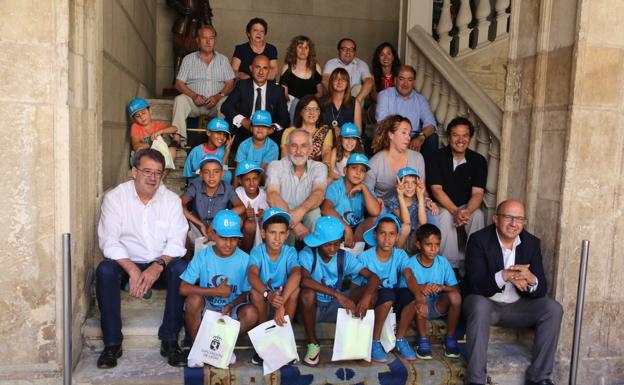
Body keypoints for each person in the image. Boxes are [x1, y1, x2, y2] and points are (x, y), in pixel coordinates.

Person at [96, 149, 188, 368]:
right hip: (127, 262)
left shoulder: (171, 200)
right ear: (134, 171)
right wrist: (132, 270)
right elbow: (109, 241)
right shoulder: (115, 198)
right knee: (104, 270)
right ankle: (112, 344)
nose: (153, 177)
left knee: (182, 269)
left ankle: (170, 340)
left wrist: (158, 265)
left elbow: (177, 241)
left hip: (161, 263)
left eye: (158, 172)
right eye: (147, 171)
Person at [463, 200, 563, 385]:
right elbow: (475, 284)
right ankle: (476, 380)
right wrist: (504, 276)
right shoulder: (479, 240)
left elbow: (542, 290)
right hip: (487, 305)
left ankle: (539, 377)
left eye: (519, 218)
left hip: (517, 307)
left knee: (552, 308)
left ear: (524, 222)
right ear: (495, 218)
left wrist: (532, 279)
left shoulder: (531, 243)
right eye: (508, 217)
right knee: (478, 305)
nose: (513, 223)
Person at [298, 216, 380, 366]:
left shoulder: (343, 257)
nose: (332, 249)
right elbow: (304, 280)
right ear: (318, 243)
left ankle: (356, 344)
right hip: (311, 310)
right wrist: (338, 295)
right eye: (327, 245)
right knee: (307, 294)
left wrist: (366, 298)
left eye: (336, 245)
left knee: (371, 292)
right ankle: (313, 344)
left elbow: (374, 277)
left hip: (334, 308)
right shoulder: (308, 254)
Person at [180, 209, 257, 368]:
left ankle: (223, 347)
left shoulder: (245, 259)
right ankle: (198, 349)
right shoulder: (203, 255)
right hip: (207, 308)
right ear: (213, 234)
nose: (229, 244)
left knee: (251, 313)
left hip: (230, 310)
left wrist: (231, 304)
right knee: (193, 300)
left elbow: (246, 292)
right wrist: (214, 292)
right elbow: (183, 288)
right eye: (223, 237)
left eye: (234, 238)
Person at [426, 116, 487, 271]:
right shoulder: (436, 157)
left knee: (478, 215)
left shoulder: (478, 161)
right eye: (455, 135)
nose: (460, 140)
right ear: (448, 137)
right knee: (445, 216)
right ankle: (450, 268)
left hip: (465, 207)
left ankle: (475, 265)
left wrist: (466, 211)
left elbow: (478, 193)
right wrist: (455, 211)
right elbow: (436, 190)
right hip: (441, 205)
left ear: (470, 138)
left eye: (465, 135)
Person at [395, 224, 461, 361]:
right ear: (418, 245)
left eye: (437, 244)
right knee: (421, 296)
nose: (433, 249)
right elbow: (403, 291)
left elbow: (456, 289)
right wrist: (420, 288)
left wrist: (442, 287)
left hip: (437, 305)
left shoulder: (442, 262)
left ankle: (450, 338)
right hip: (416, 307)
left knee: (455, 296)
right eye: (428, 244)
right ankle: (423, 341)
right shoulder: (410, 263)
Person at [247, 208, 301, 365]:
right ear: (263, 233)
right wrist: (268, 295)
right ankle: (264, 342)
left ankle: (283, 340)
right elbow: (252, 275)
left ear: (287, 234)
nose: (277, 238)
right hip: (264, 303)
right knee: (256, 292)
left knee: (295, 290)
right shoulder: (258, 252)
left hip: (282, 306)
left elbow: (297, 274)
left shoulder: (290, 252)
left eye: (282, 233)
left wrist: (281, 302)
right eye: (272, 232)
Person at [353, 213, 408, 363]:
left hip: (391, 300)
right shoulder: (364, 257)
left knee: (409, 295)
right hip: (371, 301)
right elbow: (354, 286)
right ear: (375, 235)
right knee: (386, 294)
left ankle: (401, 339)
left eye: (391, 234)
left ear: (397, 237)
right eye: (382, 233)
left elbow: (408, 274)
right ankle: (374, 342)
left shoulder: (400, 255)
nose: (387, 238)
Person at [366, 115, 439, 217]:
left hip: (412, 205)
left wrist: (428, 200)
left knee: (432, 213)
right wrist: (375, 199)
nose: (408, 137)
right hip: (385, 208)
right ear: (391, 135)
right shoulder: (374, 163)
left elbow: (423, 189)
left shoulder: (417, 158)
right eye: (404, 132)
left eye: (409, 134)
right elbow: (367, 194)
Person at [172, 25, 235, 142]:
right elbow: (179, 83)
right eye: (204, 38)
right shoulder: (188, 59)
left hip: (215, 104)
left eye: (211, 38)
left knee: (225, 102)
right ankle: (177, 139)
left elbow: (230, 83)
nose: (208, 41)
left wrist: (218, 96)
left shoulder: (223, 60)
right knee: (179, 100)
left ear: (215, 41)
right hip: (194, 103)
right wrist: (193, 96)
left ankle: (221, 139)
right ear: (197, 41)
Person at [266, 129, 328, 245]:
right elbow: (272, 195)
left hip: (305, 211)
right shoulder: (275, 166)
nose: (298, 151)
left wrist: (302, 210)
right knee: (278, 215)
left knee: (314, 214)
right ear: (287, 148)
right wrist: (294, 223)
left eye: (304, 146)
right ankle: (286, 256)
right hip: (283, 212)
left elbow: (319, 193)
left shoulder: (319, 167)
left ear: (310, 149)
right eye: (294, 146)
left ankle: (311, 253)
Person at [221, 55, 290, 154]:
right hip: (245, 129)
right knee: (229, 124)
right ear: (251, 68)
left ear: (269, 71)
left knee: (282, 133)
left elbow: (285, 118)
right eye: (257, 67)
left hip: (268, 132)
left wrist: (272, 128)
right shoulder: (242, 85)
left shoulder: (278, 90)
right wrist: (243, 121)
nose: (261, 72)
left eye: (265, 68)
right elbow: (226, 107)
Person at [181, 155, 244, 246]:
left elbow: (241, 207)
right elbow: (178, 204)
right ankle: (189, 259)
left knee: (239, 219)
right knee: (181, 221)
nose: (211, 176)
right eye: (206, 172)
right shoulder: (195, 186)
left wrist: (216, 221)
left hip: (219, 228)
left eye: (216, 172)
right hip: (197, 227)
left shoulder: (228, 188)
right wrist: (200, 224)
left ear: (222, 174)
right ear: (201, 174)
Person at [376, 65, 438, 156]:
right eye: (402, 79)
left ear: (414, 82)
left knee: (433, 138)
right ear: (395, 80)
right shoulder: (384, 95)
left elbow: (431, 124)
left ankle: (427, 170)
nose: (405, 84)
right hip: (391, 135)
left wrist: (421, 137)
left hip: (413, 138)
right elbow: (382, 122)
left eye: (409, 80)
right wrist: (401, 137)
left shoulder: (420, 100)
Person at [321, 153, 380, 248]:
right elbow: (325, 209)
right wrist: (346, 228)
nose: (358, 173)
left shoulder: (366, 188)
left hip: (357, 231)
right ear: (345, 170)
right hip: (338, 228)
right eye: (354, 168)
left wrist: (363, 188)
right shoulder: (336, 186)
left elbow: (376, 212)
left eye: (363, 170)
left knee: (376, 220)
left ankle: (357, 249)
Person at [385, 167, 437, 253]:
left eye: (413, 183)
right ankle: (396, 257)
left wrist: (421, 197)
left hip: (414, 240)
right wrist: (400, 196)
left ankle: (415, 256)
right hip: (399, 240)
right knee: (406, 227)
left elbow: (423, 223)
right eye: (405, 182)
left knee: (423, 228)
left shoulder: (418, 199)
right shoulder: (393, 200)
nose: (410, 186)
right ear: (397, 184)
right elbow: (406, 222)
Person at [279, 35, 323, 122]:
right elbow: (284, 94)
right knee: (295, 103)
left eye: (306, 47)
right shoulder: (287, 68)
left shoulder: (316, 67)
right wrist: (298, 103)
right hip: (292, 106)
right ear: (294, 49)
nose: (303, 50)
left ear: (309, 50)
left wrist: (307, 102)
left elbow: (320, 93)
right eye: (300, 47)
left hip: (311, 105)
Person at [281, 95, 333, 167]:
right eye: (308, 109)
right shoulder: (289, 132)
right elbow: (284, 157)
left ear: (319, 113)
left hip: (317, 172)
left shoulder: (325, 131)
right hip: (292, 171)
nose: (312, 112)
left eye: (315, 109)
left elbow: (326, 152)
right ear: (300, 112)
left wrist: (324, 169)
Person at [182, 117, 234, 184]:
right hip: (198, 185)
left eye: (224, 135)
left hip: (216, 186)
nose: (222, 137)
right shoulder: (196, 151)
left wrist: (227, 151)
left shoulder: (223, 150)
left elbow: (222, 171)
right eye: (218, 133)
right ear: (208, 132)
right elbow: (188, 175)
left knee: (227, 175)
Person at [322, 38, 374, 104]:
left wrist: (358, 99)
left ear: (355, 52)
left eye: (351, 49)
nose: (348, 52)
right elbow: (325, 80)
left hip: (355, 97)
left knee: (358, 88)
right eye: (344, 49)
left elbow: (369, 81)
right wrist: (338, 95)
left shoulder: (362, 64)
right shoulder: (331, 63)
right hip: (335, 93)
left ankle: (355, 112)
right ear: (338, 50)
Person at [128, 98, 179, 164]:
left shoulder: (157, 125)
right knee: (139, 150)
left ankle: (163, 173)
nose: (142, 117)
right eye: (137, 116)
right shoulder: (135, 126)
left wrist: (161, 131)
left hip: (158, 154)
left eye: (143, 113)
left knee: (172, 150)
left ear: (150, 111)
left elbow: (175, 128)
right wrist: (151, 145)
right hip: (145, 154)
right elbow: (135, 145)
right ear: (134, 119)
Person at [235, 161, 268, 252]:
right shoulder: (238, 193)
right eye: (247, 179)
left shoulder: (265, 195)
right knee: (250, 224)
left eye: (255, 179)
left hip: (261, 235)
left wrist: (264, 215)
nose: (252, 183)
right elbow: (233, 215)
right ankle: (246, 253)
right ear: (240, 181)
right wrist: (245, 214)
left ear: (259, 179)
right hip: (243, 236)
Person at [321, 68, 362, 137]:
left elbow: (358, 132)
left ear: (347, 83)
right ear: (331, 82)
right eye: (336, 79)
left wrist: (342, 132)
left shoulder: (355, 103)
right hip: (325, 141)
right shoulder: (321, 101)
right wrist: (330, 131)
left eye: (343, 79)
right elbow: (315, 127)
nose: (339, 82)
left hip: (347, 143)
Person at [367, 42, 401, 125]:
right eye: (382, 55)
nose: (385, 57)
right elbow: (373, 95)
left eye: (388, 54)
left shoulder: (401, 76)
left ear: (393, 57)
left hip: (397, 107)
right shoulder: (372, 77)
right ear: (378, 58)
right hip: (378, 107)